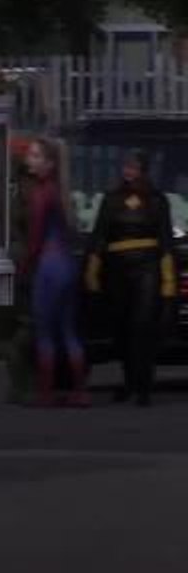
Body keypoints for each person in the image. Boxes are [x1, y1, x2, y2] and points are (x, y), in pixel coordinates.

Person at [85, 149, 176, 406]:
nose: (129, 171)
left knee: (142, 327)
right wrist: (92, 273)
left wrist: (168, 285)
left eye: (134, 166)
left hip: (147, 268)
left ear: (143, 170)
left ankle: (143, 387)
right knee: (121, 328)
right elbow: (100, 237)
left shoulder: (157, 200)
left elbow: (166, 242)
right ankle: (129, 383)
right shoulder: (111, 200)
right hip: (117, 270)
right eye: (126, 166)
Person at [20, 138, 88, 407]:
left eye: (35, 155)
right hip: (67, 264)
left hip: (49, 267)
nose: (29, 159)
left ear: (48, 163)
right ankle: (80, 391)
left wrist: (25, 266)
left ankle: (46, 392)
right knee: (69, 332)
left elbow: (35, 238)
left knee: (45, 333)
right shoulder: (61, 192)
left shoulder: (41, 193)